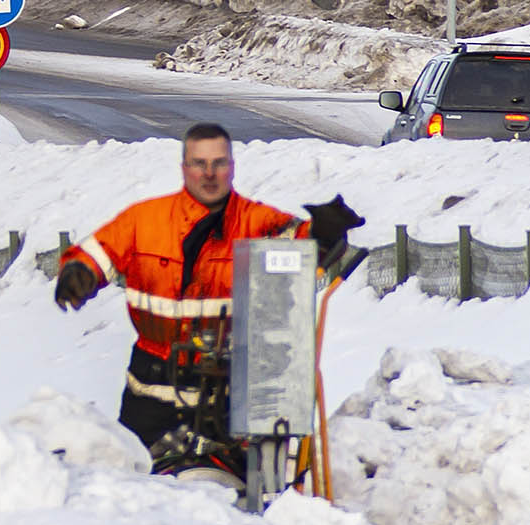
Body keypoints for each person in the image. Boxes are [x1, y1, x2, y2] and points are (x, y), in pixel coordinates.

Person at [54, 122, 357, 474]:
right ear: (184, 168)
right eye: (199, 163)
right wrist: (80, 272)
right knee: (133, 495)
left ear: (232, 167)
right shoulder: (144, 220)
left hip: (226, 404)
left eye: (219, 163)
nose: (209, 174)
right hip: (150, 400)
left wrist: (325, 233)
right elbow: (99, 251)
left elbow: (303, 250)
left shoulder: (257, 223)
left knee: (228, 502)